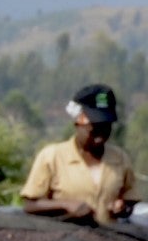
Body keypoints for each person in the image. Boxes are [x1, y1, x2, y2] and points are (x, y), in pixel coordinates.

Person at [20, 83, 137, 224]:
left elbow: (130, 200)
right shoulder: (51, 157)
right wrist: (65, 205)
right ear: (78, 122)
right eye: (94, 127)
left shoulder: (120, 159)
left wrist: (123, 208)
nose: (100, 135)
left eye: (106, 126)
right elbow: (30, 205)